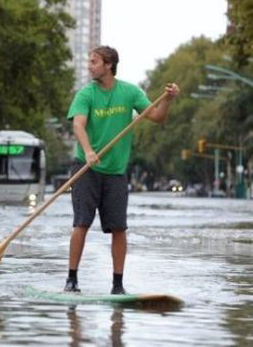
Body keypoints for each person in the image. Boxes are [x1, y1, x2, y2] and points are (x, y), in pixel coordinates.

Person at [64, 46, 179, 294]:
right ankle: (71, 280)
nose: (89, 66)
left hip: (115, 172)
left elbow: (158, 117)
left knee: (119, 228)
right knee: (81, 223)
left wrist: (168, 100)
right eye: (89, 61)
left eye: (94, 62)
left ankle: (117, 284)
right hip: (86, 168)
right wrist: (88, 151)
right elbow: (78, 126)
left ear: (109, 65)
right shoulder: (85, 94)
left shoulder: (129, 92)